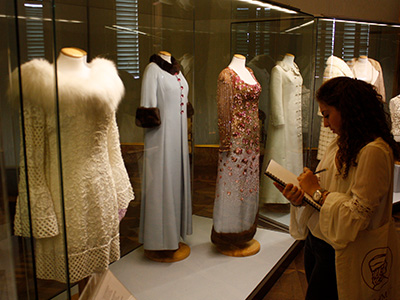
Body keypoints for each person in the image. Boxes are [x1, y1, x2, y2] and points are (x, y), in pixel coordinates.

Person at [274, 77, 400, 299]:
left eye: (326, 115)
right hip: (318, 241)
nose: (325, 124)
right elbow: (326, 191)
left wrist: (316, 191)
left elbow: (358, 215)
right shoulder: (341, 142)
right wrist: (300, 196)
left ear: (348, 110)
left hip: (342, 250)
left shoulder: (374, 152)